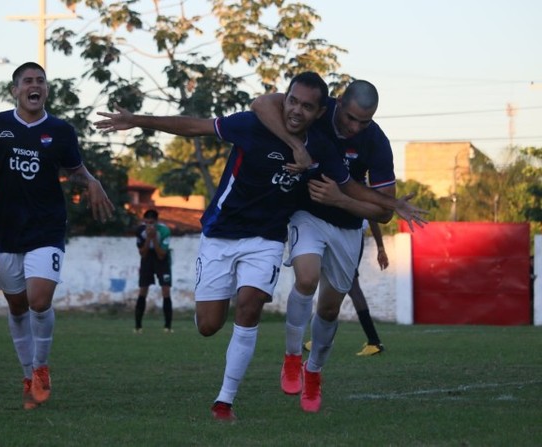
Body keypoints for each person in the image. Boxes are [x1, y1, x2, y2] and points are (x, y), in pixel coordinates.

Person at [95, 72, 424, 421]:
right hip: (223, 232)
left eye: (306, 106)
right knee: (208, 325)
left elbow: (350, 187)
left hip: (268, 237)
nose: (297, 110)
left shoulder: (324, 146)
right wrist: (136, 120)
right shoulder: (254, 124)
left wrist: (391, 204)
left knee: (254, 307)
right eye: (292, 101)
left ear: (319, 112)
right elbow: (196, 125)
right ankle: (281, 355)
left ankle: (226, 401)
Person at [251, 79, 422, 412]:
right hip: (307, 214)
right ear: (339, 103)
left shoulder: (376, 142)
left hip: (347, 227)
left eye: (365, 121)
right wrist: (294, 145)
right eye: (351, 118)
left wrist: (341, 200)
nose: (356, 126)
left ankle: (313, 373)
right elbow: (261, 104)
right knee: (306, 278)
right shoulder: (316, 107)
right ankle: (292, 355)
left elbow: (384, 213)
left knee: (329, 309)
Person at [0, 62, 115, 411]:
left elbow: (75, 170)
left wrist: (92, 182)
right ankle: (27, 374)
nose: (35, 85)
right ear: (15, 90)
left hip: (47, 227)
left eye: (40, 81)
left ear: (45, 90)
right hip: (6, 230)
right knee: (17, 306)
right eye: (28, 80)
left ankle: (41, 368)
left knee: (39, 300)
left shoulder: (60, 130)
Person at [303, 219, 389, 356]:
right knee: (335, 285)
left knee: (352, 288)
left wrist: (380, 248)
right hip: (343, 237)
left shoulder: (356, 202)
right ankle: (319, 339)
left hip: (350, 238)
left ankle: (374, 342)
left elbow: (372, 217)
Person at [134, 208, 174, 334]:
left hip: (161, 259)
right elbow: (142, 253)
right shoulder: (140, 231)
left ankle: (167, 326)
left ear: (156, 221)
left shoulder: (164, 231)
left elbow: (162, 254)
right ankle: (138, 326)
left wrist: (154, 238)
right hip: (147, 259)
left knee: (166, 290)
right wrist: (148, 239)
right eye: (147, 223)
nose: (149, 225)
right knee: (143, 289)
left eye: (152, 223)